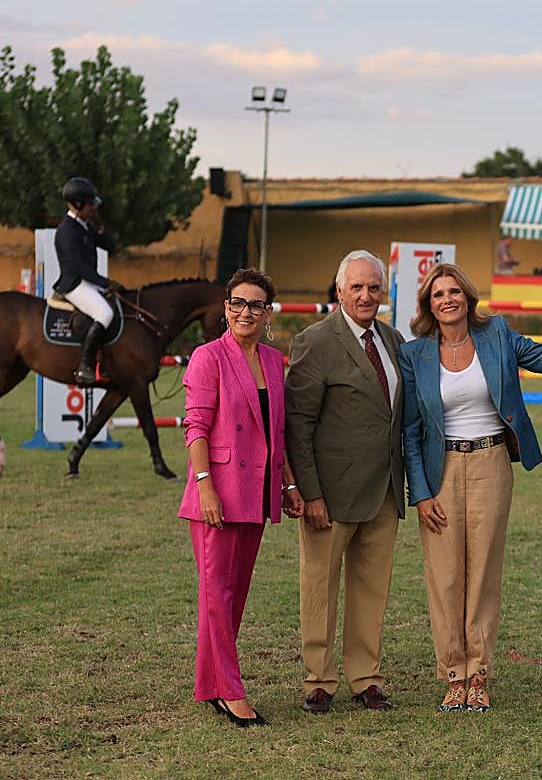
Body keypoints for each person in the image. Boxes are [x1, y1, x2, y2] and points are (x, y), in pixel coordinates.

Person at [399, 263, 542, 711]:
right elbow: (411, 430)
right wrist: (422, 493)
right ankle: (454, 673)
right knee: (445, 577)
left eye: (454, 291)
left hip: (491, 463)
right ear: (428, 306)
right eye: (437, 295)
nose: (447, 299)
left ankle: (480, 674)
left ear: (468, 298)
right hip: (440, 469)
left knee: (484, 573)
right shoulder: (415, 355)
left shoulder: (498, 336)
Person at [179, 267, 303, 728]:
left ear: (267, 312)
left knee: (233, 596)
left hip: (258, 491)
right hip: (218, 492)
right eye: (237, 303)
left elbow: (278, 433)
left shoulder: (273, 361)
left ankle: (208, 685)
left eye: (255, 304)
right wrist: (205, 486)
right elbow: (195, 426)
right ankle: (231, 692)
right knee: (217, 594)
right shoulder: (208, 357)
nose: (244, 312)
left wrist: (288, 485)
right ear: (226, 308)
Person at [285, 250, 405, 714]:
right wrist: (309, 493)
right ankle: (319, 680)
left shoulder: (393, 340)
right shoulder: (315, 341)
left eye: (373, 287)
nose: (365, 295)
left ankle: (366, 678)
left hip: (385, 490)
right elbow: (299, 425)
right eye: (356, 287)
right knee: (320, 586)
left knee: (372, 589)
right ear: (339, 291)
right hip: (329, 495)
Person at [52, 177, 119, 386]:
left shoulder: (85, 226)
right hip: (73, 284)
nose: (93, 207)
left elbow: (110, 246)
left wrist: (100, 226)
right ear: (78, 204)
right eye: (90, 204)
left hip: (87, 282)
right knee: (105, 313)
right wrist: (105, 282)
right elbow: (76, 266)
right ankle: (84, 366)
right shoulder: (66, 230)